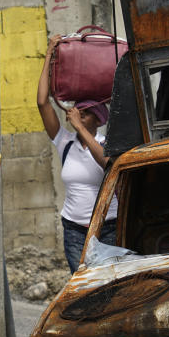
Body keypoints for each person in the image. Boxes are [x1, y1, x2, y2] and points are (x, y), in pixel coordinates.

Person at [37, 34, 119, 272]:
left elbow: (106, 162)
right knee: (80, 284)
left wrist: (80, 128)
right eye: (78, 109)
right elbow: (43, 103)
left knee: (108, 282)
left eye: (86, 112)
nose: (78, 113)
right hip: (73, 228)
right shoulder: (66, 142)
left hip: (107, 226)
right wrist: (49, 54)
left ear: (98, 119)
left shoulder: (107, 142)